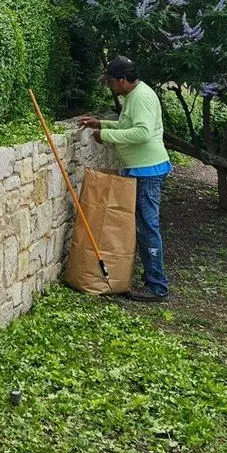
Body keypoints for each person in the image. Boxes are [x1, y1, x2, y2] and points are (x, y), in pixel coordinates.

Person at [79, 56, 172, 302]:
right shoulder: (134, 95)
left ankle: (157, 287)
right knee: (143, 225)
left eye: (110, 82)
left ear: (122, 80)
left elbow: (142, 133)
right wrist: (101, 123)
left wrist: (106, 135)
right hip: (141, 169)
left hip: (148, 171)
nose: (110, 86)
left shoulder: (141, 97)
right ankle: (152, 278)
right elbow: (128, 125)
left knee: (147, 226)